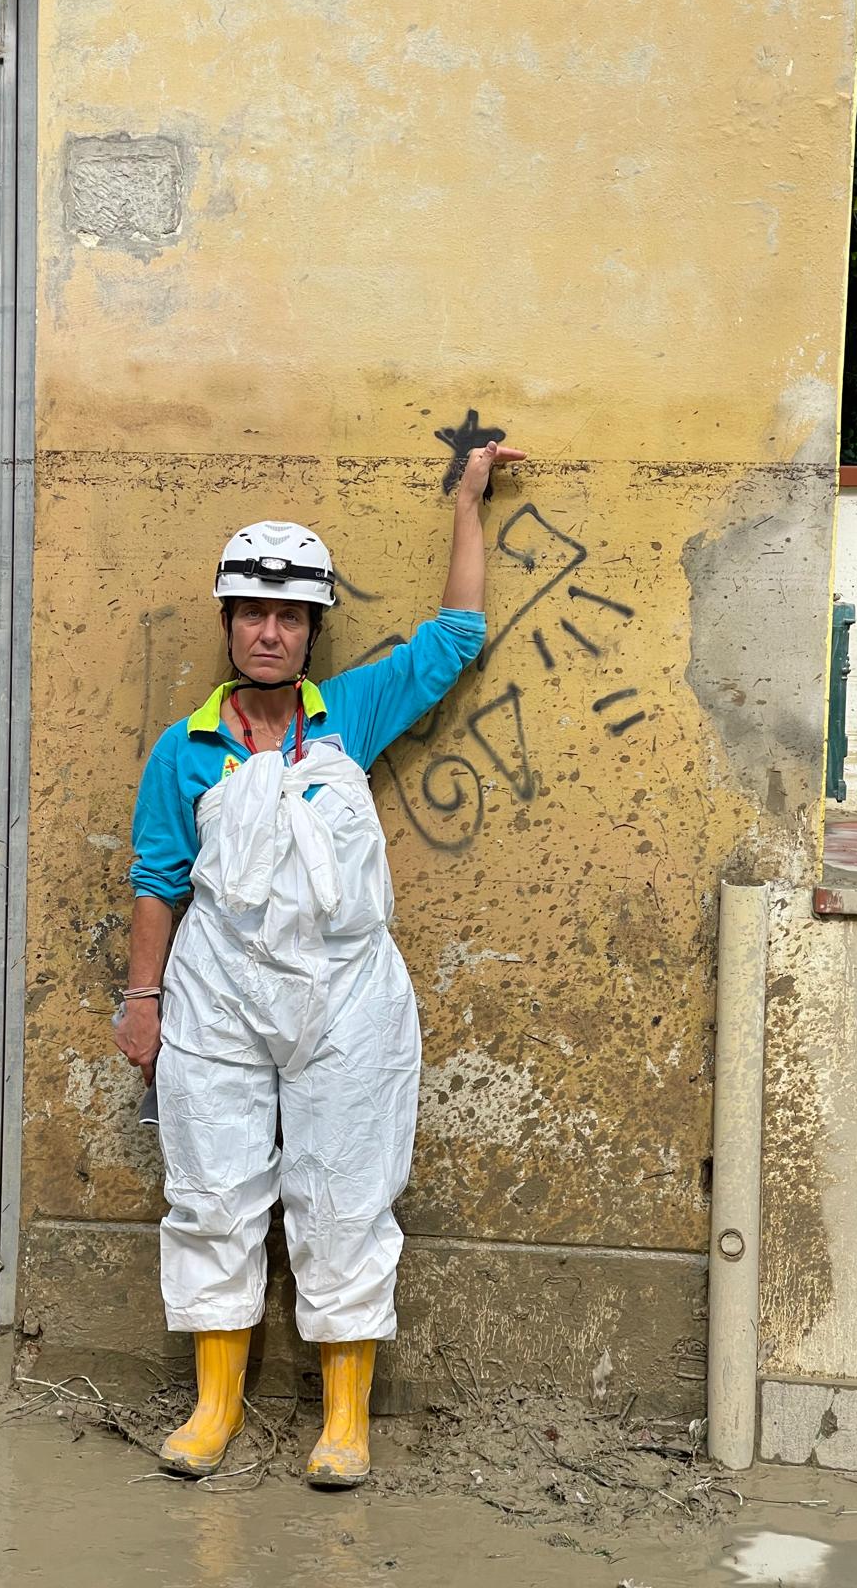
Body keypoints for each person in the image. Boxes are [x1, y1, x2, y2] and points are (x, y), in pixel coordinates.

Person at [114, 438, 526, 1488]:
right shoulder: (186, 748)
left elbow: (457, 635)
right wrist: (142, 1000)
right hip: (215, 995)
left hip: (344, 999)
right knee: (212, 1189)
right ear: (227, 623)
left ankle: (346, 1418)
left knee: (345, 1193)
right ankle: (215, 1408)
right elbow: (159, 880)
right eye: (252, 611)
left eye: (289, 614)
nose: (269, 629)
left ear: (310, 631)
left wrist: (469, 498)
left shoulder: (354, 716)